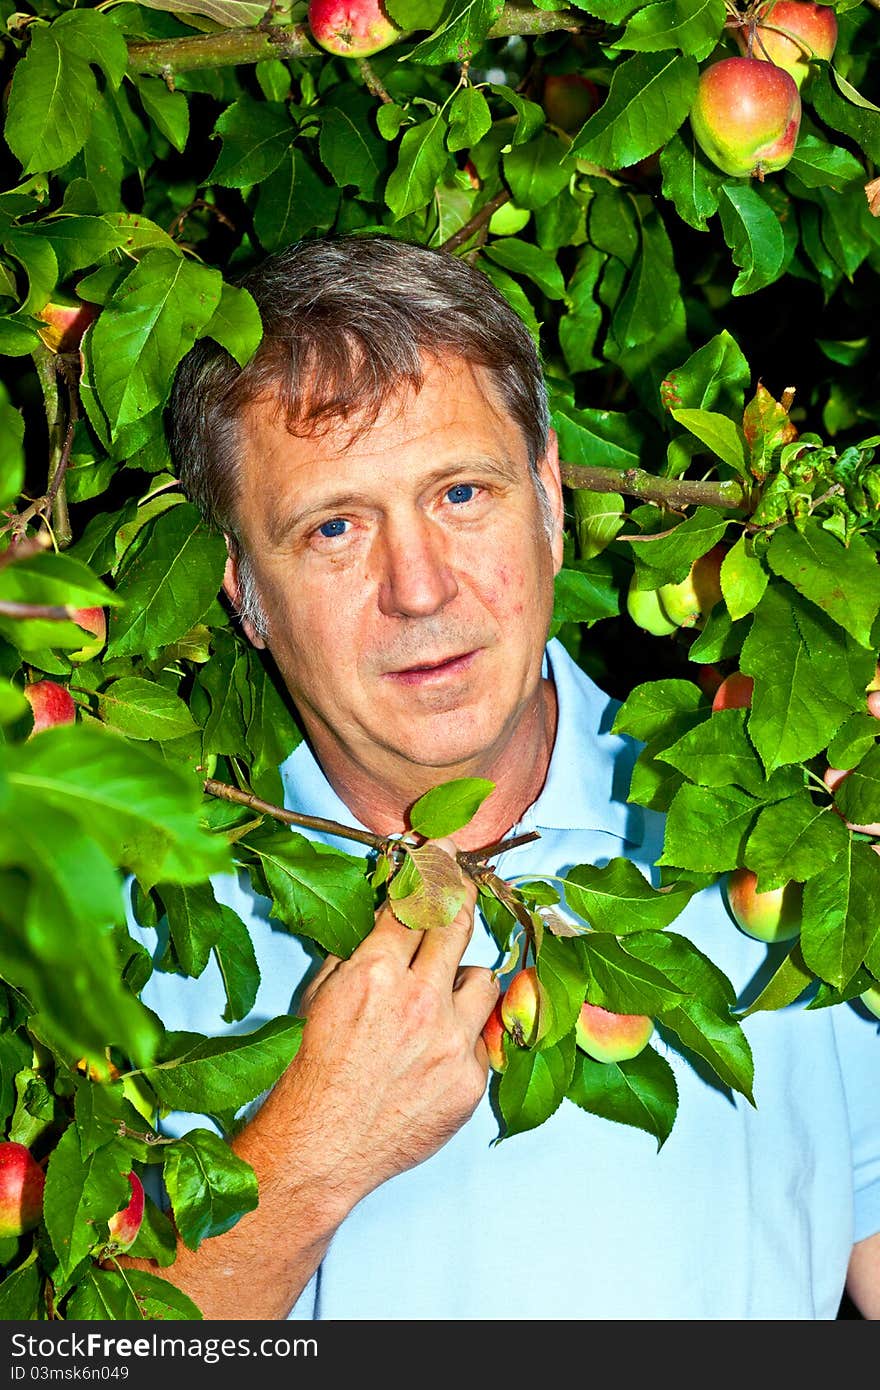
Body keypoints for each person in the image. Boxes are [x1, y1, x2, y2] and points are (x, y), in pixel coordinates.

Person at [126, 234, 880, 1321]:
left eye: (462, 494)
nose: (419, 587)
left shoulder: (788, 840)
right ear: (243, 593)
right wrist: (304, 1162)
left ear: (551, 505)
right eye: (334, 526)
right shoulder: (128, 927)